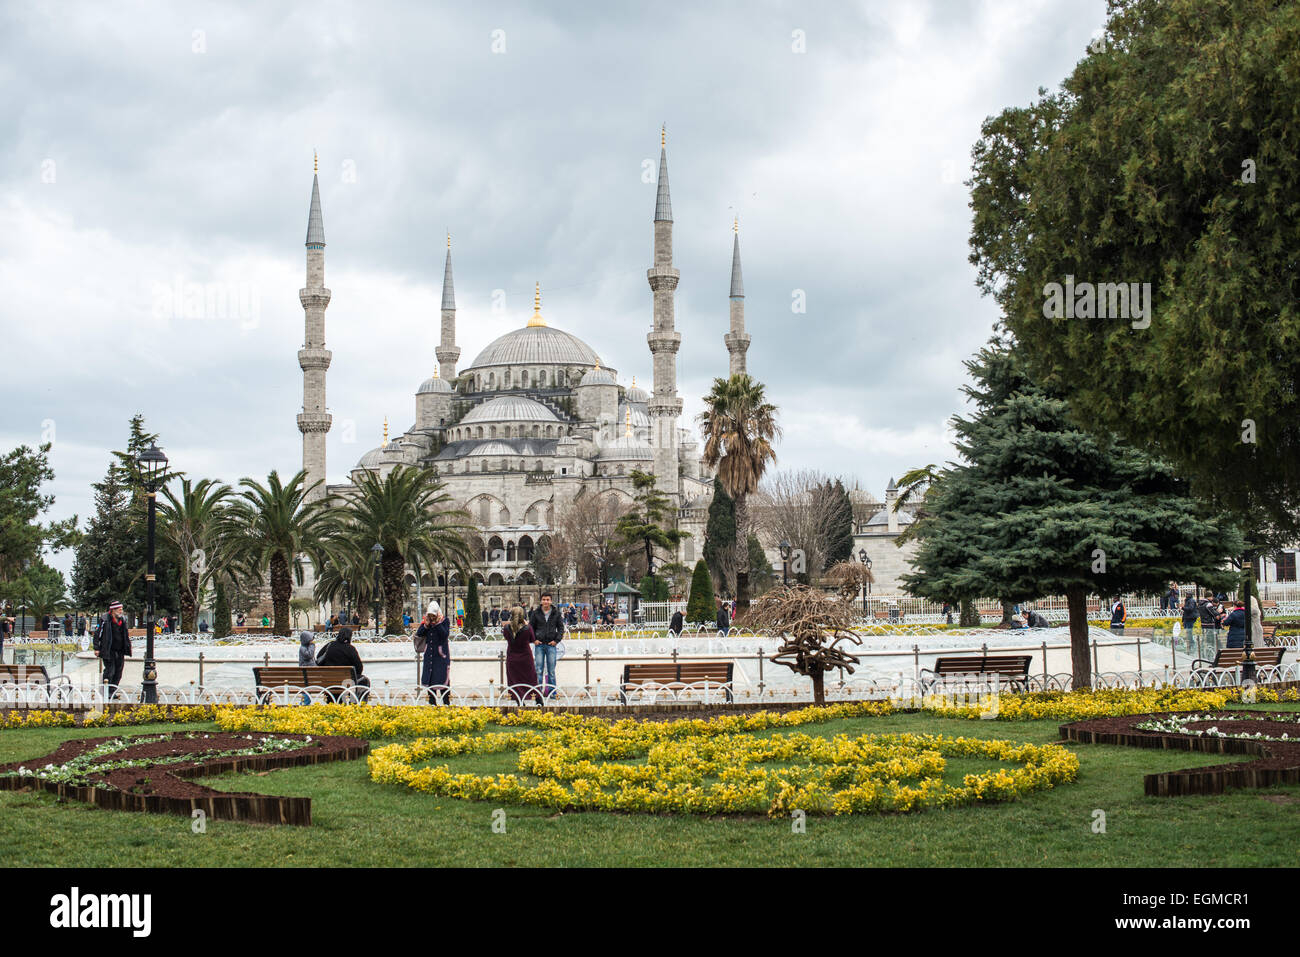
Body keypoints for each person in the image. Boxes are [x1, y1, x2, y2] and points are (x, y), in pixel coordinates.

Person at [318, 626, 370, 700]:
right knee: (364, 680)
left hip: (328, 681)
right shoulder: (350, 649)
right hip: (346, 682)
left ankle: (332, 701)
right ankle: (356, 701)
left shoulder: (329, 645)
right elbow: (359, 667)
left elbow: (319, 659)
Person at [414, 602, 451, 705]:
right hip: (429, 656)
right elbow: (419, 634)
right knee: (430, 679)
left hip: (441, 656)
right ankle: (432, 703)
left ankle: (446, 702)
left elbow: (445, 635)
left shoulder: (445, 621)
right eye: (430, 615)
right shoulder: (427, 622)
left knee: (443, 678)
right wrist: (425, 625)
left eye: (433, 615)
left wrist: (437, 623)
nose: (432, 618)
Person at [529, 591, 564, 698]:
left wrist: (556, 641)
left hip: (551, 645)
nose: (546, 602)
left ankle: (552, 693)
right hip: (539, 645)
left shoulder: (556, 613)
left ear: (551, 601)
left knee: (551, 670)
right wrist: (534, 640)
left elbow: (561, 628)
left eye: (548, 600)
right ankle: (538, 693)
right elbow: (531, 628)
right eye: (544, 599)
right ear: (541, 601)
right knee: (538, 670)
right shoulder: (536, 613)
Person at [94, 601, 132, 698]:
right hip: (108, 649)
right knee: (110, 671)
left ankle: (112, 692)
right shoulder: (104, 619)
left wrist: (127, 646)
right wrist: (96, 648)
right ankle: (105, 691)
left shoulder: (122, 620)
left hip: (120, 650)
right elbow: (97, 634)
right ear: (113, 610)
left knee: (118, 672)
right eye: (119, 609)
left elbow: (125, 634)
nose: (121, 611)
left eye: (121, 609)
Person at [503, 605, 538, 705]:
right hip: (525, 657)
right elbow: (532, 639)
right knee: (531, 679)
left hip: (512, 657)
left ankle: (519, 701)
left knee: (514, 680)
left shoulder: (506, 628)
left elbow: (506, 637)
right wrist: (527, 625)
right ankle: (537, 698)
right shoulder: (527, 628)